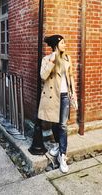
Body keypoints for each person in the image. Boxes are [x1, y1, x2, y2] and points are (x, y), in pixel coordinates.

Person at [38, 34, 78, 173]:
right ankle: (56, 144)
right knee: (55, 123)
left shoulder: (67, 58)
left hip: (65, 96)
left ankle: (62, 155)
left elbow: (71, 76)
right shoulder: (47, 59)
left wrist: (74, 92)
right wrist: (52, 60)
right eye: (62, 43)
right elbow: (43, 76)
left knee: (63, 125)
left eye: (65, 43)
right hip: (53, 96)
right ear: (56, 45)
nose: (65, 45)